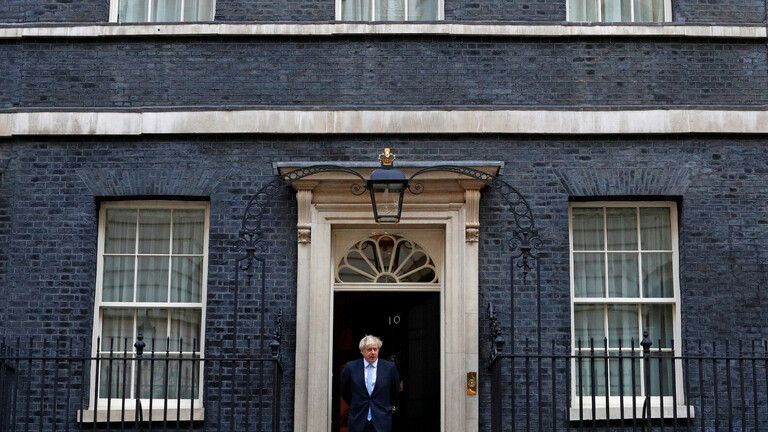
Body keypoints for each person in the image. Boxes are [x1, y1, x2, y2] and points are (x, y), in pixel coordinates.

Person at [341, 335, 400, 432]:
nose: (373, 352)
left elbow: (395, 391)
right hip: (358, 419)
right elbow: (344, 391)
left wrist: (386, 406)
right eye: (369, 350)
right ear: (362, 351)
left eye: (375, 349)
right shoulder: (351, 367)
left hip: (381, 419)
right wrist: (357, 403)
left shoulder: (389, 368)